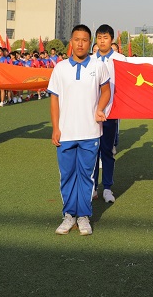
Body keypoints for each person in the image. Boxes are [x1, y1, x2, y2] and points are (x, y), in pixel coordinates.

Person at [48, 24, 111, 236]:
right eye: (77, 39)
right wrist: (55, 128)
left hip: (90, 132)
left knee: (86, 176)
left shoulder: (98, 66)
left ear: (89, 42)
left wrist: (100, 109)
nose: (80, 44)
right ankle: (68, 215)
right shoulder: (60, 68)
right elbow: (54, 99)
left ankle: (83, 216)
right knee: (67, 175)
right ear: (71, 42)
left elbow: (106, 91)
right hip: (65, 133)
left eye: (84, 40)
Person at [92, 24, 126, 204]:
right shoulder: (90, 60)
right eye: (99, 38)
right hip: (91, 114)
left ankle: (107, 188)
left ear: (111, 40)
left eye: (105, 38)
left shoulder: (120, 59)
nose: (102, 41)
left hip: (110, 113)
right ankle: (92, 187)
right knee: (92, 151)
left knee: (107, 151)